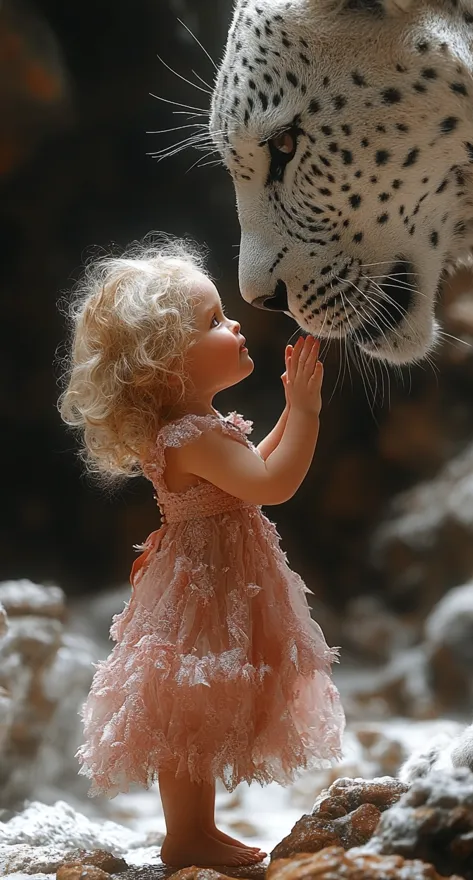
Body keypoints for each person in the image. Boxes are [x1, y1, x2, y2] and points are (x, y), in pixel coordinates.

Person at [58, 237, 345, 869]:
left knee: (200, 706)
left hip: (211, 574)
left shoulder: (196, 433)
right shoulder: (191, 437)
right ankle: (187, 834)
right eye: (213, 321)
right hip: (208, 583)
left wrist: (289, 415)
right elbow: (272, 485)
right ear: (168, 367)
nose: (234, 324)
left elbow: (248, 471)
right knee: (190, 703)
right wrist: (306, 413)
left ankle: (196, 830)